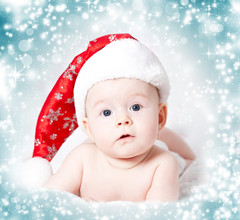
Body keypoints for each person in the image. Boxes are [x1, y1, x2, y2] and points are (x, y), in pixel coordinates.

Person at [30, 33, 195, 202]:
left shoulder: (163, 163)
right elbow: (48, 200)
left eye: (135, 107)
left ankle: (184, 151)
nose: (123, 119)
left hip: (161, 144)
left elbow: (158, 216)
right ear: (88, 129)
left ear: (160, 117)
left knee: (185, 157)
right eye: (107, 112)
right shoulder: (82, 158)